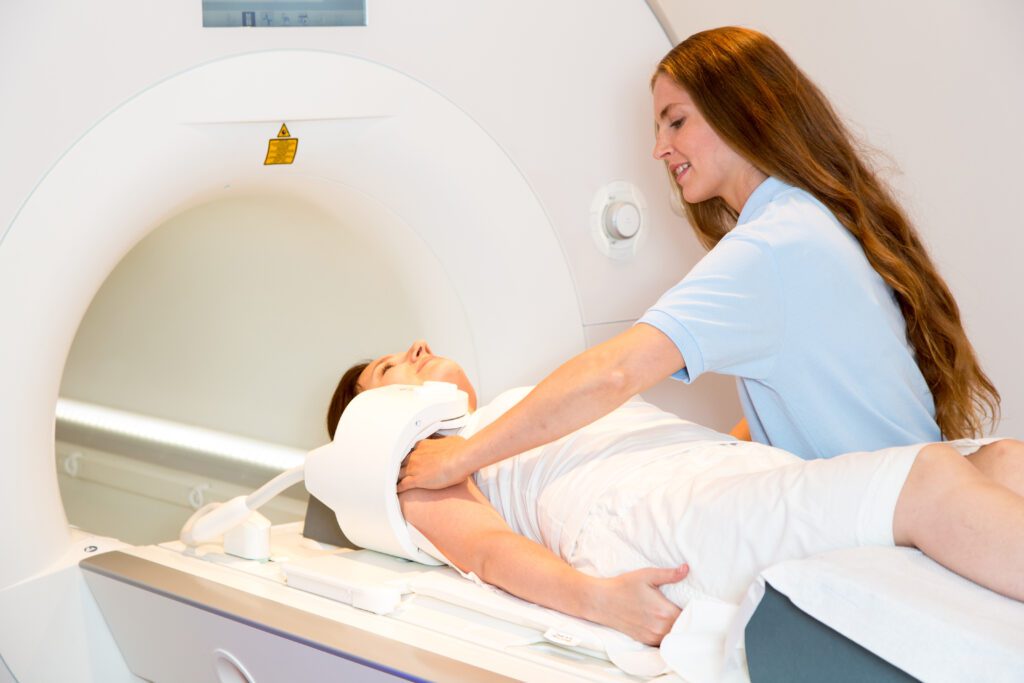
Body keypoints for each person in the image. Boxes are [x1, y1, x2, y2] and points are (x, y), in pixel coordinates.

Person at [396, 26, 1001, 493]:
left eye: (676, 121)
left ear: (749, 111)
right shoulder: (811, 219)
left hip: (892, 508)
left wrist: (460, 457)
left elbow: (614, 373)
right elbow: (805, 397)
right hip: (915, 481)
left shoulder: (769, 249)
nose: (659, 149)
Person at [327, 341, 1024, 646]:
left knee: (998, 459)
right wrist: (599, 600)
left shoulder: (502, 416)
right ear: (370, 423)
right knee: (929, 482)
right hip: (661, 519)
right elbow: (492, 552)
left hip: (717, 475)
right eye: (392, 364)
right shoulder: (418, 469)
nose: (417, 347)